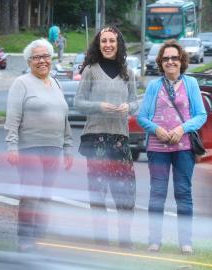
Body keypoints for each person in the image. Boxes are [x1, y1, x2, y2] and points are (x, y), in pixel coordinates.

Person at [137, 39, 207, 255]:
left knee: (183, 192)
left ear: (181, 61)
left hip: (184, 147)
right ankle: (154, 240)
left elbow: (201, 115)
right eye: (166, 58)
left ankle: (185, 242)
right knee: (157, 193)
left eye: (174, 58)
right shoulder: (154, 86)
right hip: (158, 149)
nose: (170, 62)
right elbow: (141, 117)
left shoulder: (191, 84)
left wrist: (181, 129)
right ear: (161, 62)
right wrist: (157, 130)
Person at [4, 38, 73, 252]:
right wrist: (12, 147)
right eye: (36, 57)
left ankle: (39, 236)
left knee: (45, 195)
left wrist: (68, 147)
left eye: (46, 56)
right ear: (29, 61)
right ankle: (25, 238)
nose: (42, 61)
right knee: (31, 195)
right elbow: (12, 118)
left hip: (54, 147)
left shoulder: (56, 83)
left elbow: (64, 118)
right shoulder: (21, 83)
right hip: (29, 147)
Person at [74, 26, 138, 248]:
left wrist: (128, 107)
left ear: (118, 44)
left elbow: (136, 102)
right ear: (98, 45)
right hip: (96, 138)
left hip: (120, 139)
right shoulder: (90, 70)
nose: (108, 45)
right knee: (98, 191)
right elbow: (78, 103)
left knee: (126, 191)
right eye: (104, 41)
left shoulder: (128, 72)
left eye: (112, 41)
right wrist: (99, 106)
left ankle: (125, 239)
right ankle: (101, 240)